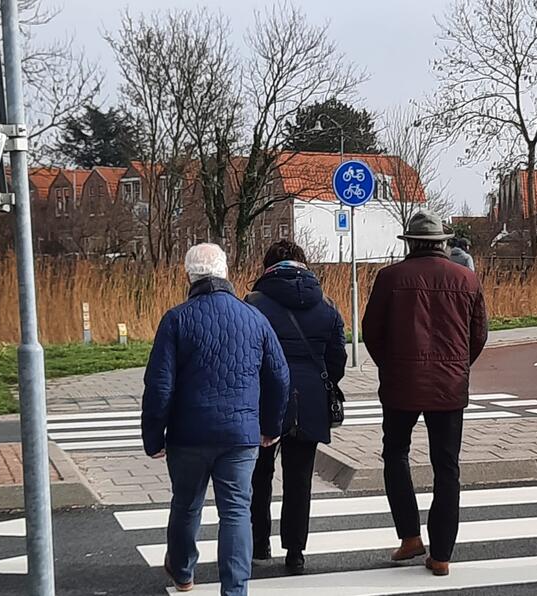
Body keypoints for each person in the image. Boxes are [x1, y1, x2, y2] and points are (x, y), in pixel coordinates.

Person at [141, 243, 290, 596]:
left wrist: (153, 436)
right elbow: (280, 376)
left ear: (188, 275)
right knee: (237, 511)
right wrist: (270, 427)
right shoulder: (254, 317)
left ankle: (182, 572)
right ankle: (235, 589)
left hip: (187, 435)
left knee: (186, 503)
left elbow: (159, 385)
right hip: (240, 434)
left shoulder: (176, 319)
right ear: (226, 272)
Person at [362, 210, 488, 577]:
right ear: (442, 244)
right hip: (449, 386)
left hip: (401, 383)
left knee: (395, 454)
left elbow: (372, 330)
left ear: (411, 244)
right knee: (447, 467)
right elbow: (478, 334)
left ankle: (410, 537)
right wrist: (459, 365)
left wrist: (390, 364)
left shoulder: (389, 278)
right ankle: (443, 554)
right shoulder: (466, 279)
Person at [246, 240, 347, 574]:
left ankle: (260, 543)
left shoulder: (254, 304)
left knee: (259, 475)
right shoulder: (328, 304)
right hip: (311, 399)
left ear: (267, 267)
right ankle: (295, 553)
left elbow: (247, 357)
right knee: (300, 477)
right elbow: (337, 360)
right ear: (303, 264)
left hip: (264, 400)